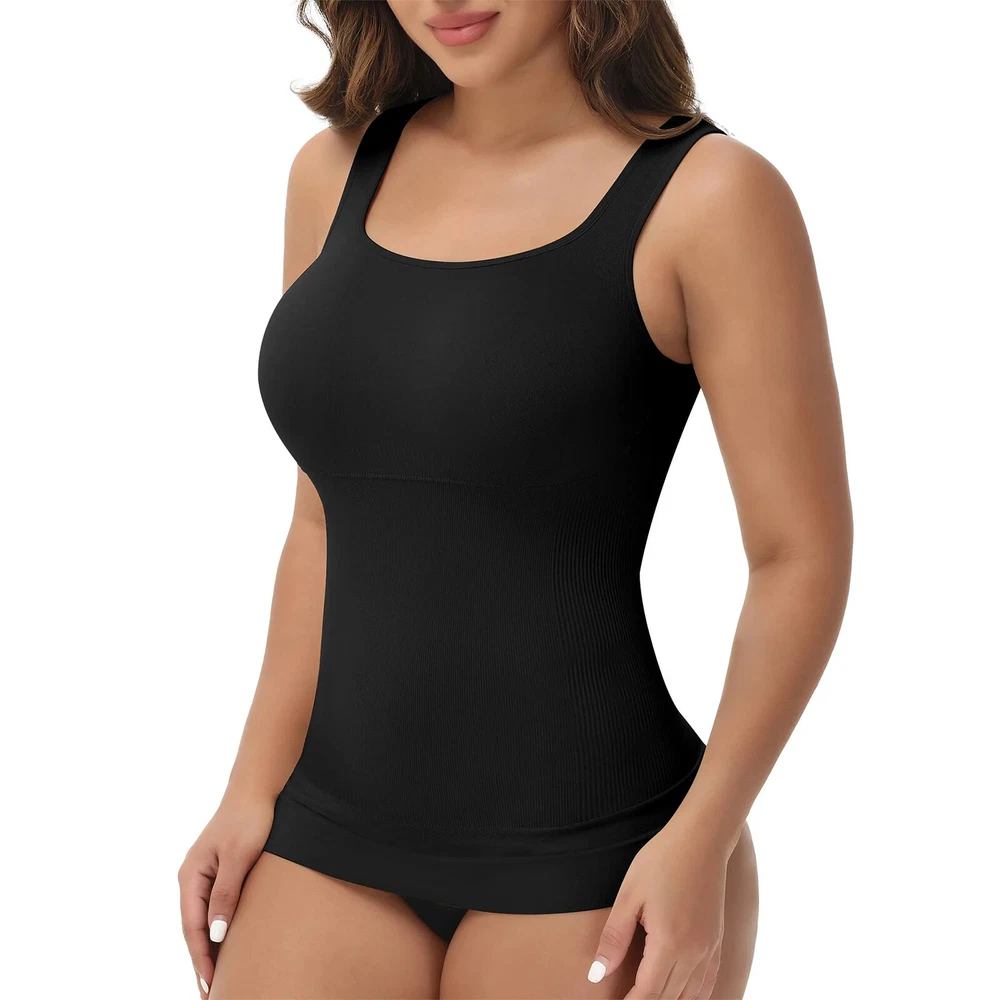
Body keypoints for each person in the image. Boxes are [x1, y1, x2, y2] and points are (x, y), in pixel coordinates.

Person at [177, 2, 853, 997]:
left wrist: (701, 837)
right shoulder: (332, 174)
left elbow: (798, 557)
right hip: (330, 830)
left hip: (603, 853)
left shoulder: (709, 196)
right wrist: (249, 786)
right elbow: (322, 522)